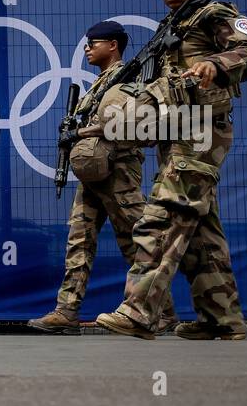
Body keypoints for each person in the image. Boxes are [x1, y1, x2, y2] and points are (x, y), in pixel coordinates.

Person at [96, 0, 247, 341]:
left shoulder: (216, 14)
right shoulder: (172, 23)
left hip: (203, 132)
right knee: (200, 230)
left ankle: (138, 311)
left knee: (165, 214)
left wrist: (215, 65)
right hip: (177, 132)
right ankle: (222, 320)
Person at [29, 20, 176, 334]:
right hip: (94, 171)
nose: (87, 49)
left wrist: (80, 132)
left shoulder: (131, 82)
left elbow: (139, 125)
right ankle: (67, 311)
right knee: (78, 241)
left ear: (113, 45)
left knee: (136, 241)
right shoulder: (98, 85)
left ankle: (162, 312)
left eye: (93, 43)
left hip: (119, 171)